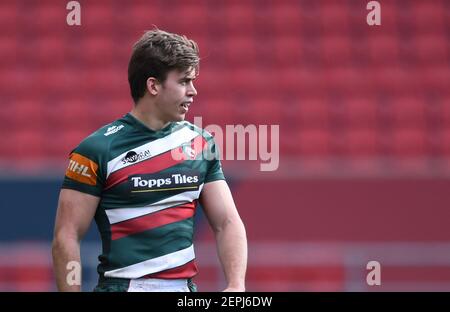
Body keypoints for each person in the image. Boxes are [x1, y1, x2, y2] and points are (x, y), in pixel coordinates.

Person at [52, 29, 247, 292]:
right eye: (184, 81)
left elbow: (227, 222)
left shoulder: (202, 144)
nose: (194, 91)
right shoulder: (96, 150)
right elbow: (67, 235)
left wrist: (236, 285)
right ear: (153, 85)